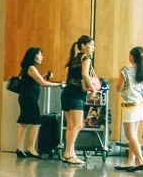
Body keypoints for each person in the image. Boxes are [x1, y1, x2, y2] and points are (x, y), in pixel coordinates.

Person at [12, 47, 60, 158]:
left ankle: (20, 148)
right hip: (29, 98)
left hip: (26, 97)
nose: (42, 57)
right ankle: (31, 148)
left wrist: (44, 77)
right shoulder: (31, 68)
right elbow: (42, 83)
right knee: (36, 122)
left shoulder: (28, 68)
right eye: (40, 55)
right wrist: (59, 84)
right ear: (34, 56)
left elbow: (35, 80)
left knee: (24, 122)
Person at [61, 34, 97, 166]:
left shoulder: (75, 58)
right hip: (76, 94)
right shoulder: (86, 57)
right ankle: (68, 153)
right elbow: (85, 75)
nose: (93, 48)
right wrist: (93, 89)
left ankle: (70, 153)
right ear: (83, 46)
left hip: (67, 93)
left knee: (71, 126)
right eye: (91, 45)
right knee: (77, 125)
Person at [117, 46, 143, 172]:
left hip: (129, 106)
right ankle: (130, 161)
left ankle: (140, 161)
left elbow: (119, 87)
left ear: (132, 56)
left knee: (130, 135)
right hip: (140, 105)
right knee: (134, 135)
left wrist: (121, 74)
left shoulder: (126, 70)